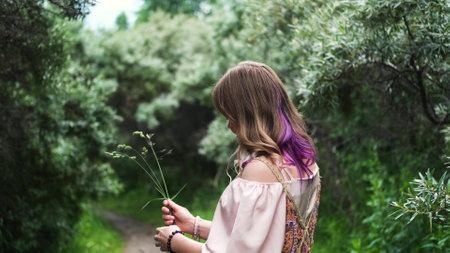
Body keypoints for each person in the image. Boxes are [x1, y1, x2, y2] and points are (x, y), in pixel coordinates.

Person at [154, 61, 321, 253]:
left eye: (232, 117)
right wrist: (194, 225)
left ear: (250, 116)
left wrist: (174, 241)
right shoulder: (306, 161)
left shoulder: (260, 170)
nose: (230, 126)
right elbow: (262, 238)